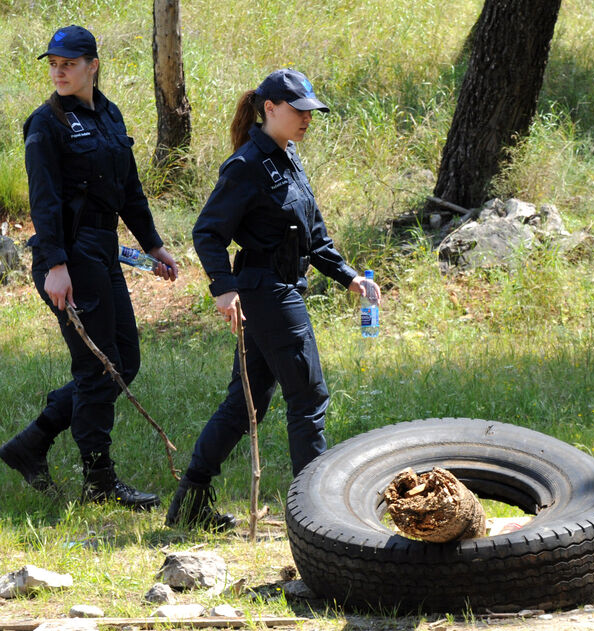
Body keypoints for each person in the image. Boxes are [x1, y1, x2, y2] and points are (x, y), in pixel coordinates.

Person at [166, 69, 380, 531]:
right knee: (309, 396)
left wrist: (349, 279)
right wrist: (223, 287)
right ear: (270, 109)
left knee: (246, 404)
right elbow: (207, 232)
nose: (307, 118)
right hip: (267, 293)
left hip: (283, 288)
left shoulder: (289, 157)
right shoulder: (246, 166)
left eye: (310, 111)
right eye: (298, 110)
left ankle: (189, 502)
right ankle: (318, 519)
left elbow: (313, 234)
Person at [1, 25, 178, 510]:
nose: (59, 72)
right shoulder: (46, 123)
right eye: (53, 64)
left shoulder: (110, 115)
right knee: (99, 367)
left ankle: (30, 444)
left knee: (124, 361)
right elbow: (44, 199)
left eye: (69, 64)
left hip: (102, 249)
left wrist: (154, 246)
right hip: (70, 255)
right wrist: (55, 263)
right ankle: (99, 482)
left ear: (92, 65)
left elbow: (130, 191)